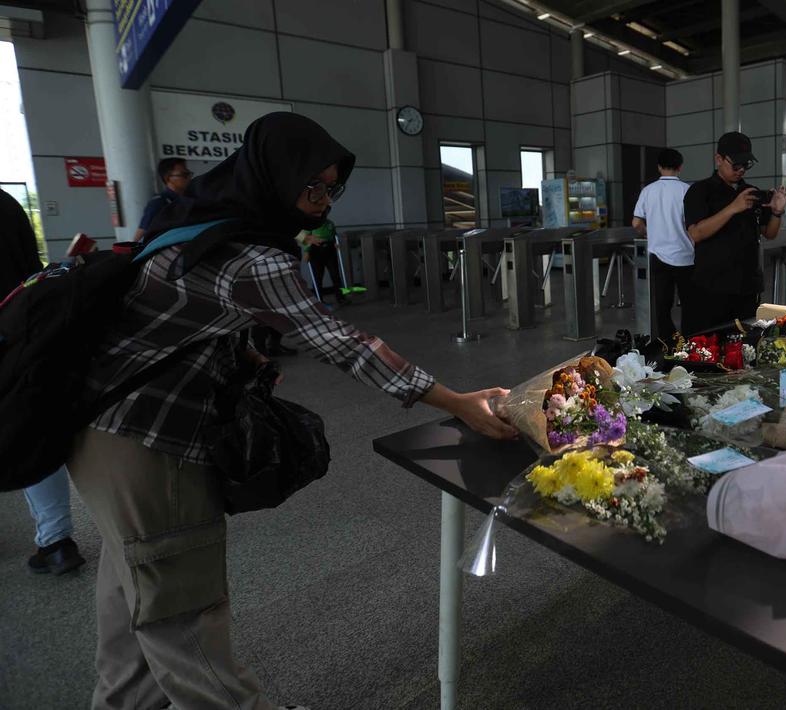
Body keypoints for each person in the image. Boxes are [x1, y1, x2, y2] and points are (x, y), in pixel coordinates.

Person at [68, 112, 516, 710]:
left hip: (98, 430)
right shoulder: (254, 256)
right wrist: (455, 400)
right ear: (274, 175)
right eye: (312, 186)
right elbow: (344, 344)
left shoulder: (197, 220)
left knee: (132, 603)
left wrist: (242, 353)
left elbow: (175, 318)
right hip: (148, 443)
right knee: (183, 617)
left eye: (332, 188)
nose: (322, 201)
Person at [1, 190, 88, 576]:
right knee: (31, 430)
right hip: (20, 327)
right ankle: (56, 543)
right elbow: (29, 268)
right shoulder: (6, 203)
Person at [682, 131, 786, 334]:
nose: (741, 170)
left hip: (747, 286)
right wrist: (733, 208)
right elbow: (696, 233)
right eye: (736, 165)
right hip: (712, 286)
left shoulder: (751, 192)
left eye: (746, 165)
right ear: (718, 159)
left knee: (744, 342)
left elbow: (769, 233)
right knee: (709, 342)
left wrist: (777, 212)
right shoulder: (700, 191)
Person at [632, 148, 692, 339]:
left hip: (658, 256)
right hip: (686, 256)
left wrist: (649, 233)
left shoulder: (648, 191)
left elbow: (636, 223)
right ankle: (691, 342)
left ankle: (669, 342)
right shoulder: (687, 190)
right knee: (690, 304)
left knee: (662, 305)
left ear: (659, 167)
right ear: (680, 167)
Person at [134, 158, 193, 242]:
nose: (189, 178)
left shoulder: (188, 199)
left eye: (189, 174)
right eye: (184, 174)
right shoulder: (158, 203)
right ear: (167, 178)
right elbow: (141, 235)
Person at [300, 217, 350, 307]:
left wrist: (335, 243)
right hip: (316, 250)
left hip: (330, 250)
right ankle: (318, 300)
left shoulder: (330, 223)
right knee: (317, 277)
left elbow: (334, 235)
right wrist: (307, 251)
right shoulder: (310, 224)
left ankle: (341, 298)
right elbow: (306, 238)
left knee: (335, 275)